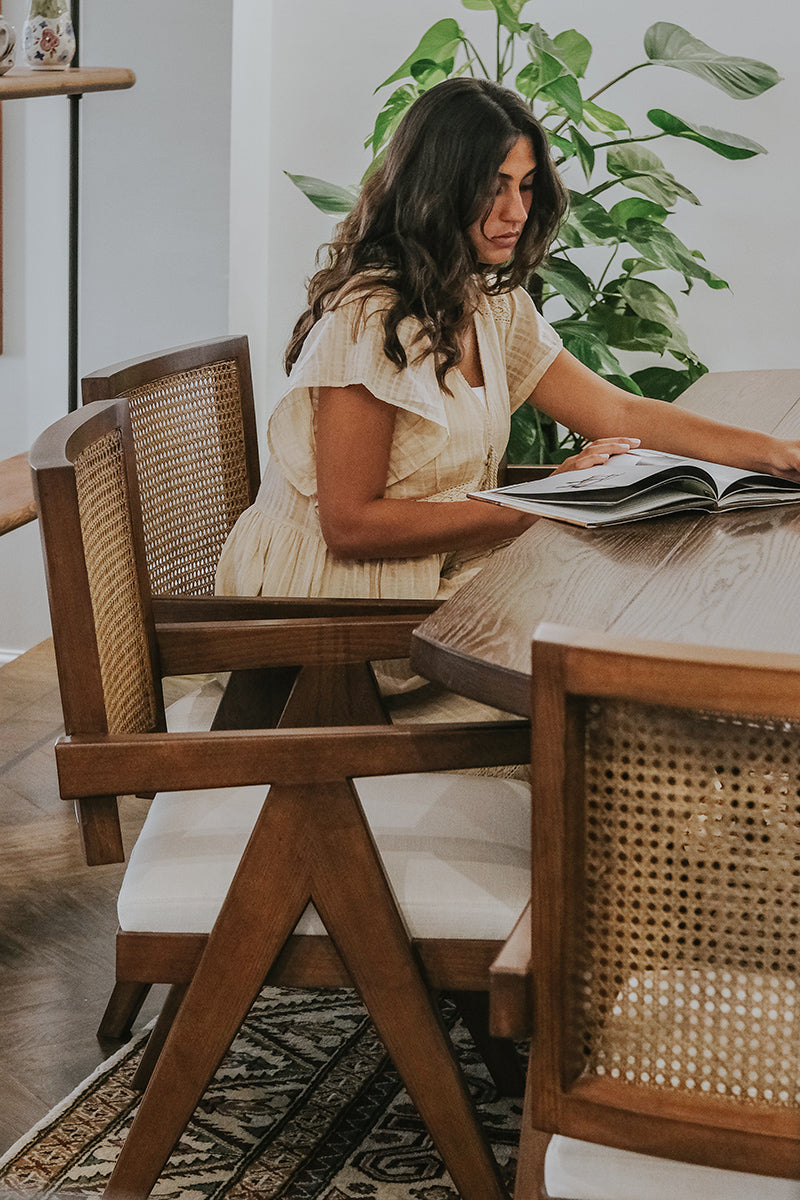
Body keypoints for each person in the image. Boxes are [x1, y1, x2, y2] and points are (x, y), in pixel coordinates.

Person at [216, 77, 800, 701]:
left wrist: (775, 453)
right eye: (492, 188)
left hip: (428, 586)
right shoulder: (371, 318)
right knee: (605, 673)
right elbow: (351, 526)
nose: (516, 213)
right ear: (436, 191)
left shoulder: (487, 304)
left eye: (525, 186)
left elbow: (616, 408)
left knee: (634, 623)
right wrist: (546, 499)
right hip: (332, 624)